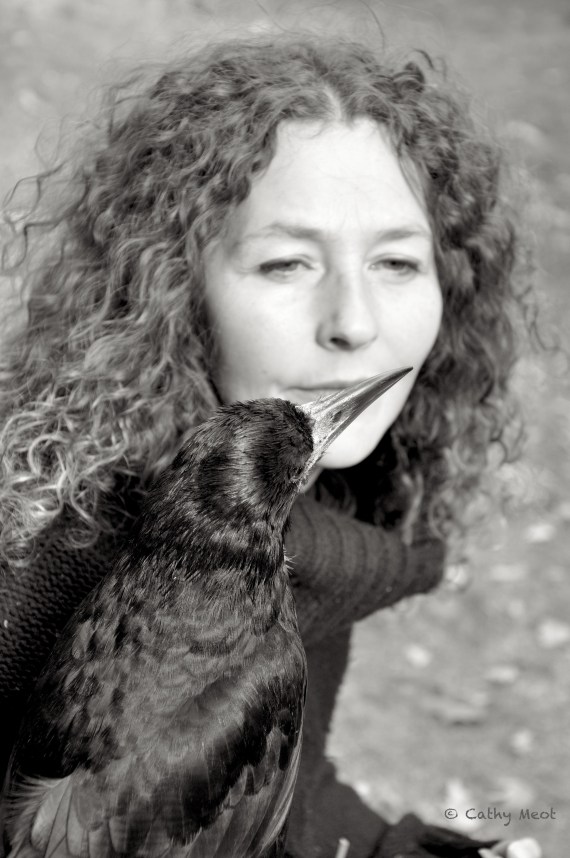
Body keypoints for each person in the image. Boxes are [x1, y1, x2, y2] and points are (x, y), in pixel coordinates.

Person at [0, 31, 544, 858]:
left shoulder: (278, 507)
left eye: (398, 263)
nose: (354, 324)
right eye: (288, 263)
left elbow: (271, 790)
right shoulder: (53, 563)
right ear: (174, 293)